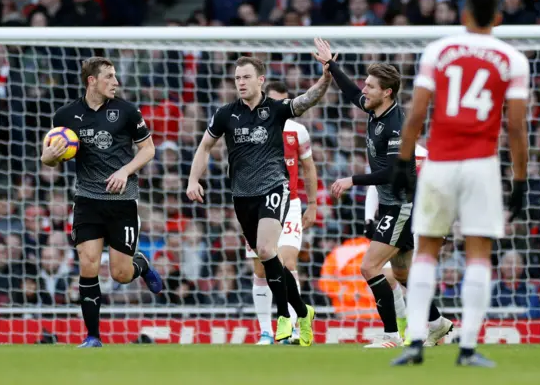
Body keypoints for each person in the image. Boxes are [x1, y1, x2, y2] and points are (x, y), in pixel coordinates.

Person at [391, 0, 529, 367]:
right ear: (498, 18)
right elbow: (516, 127)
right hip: (481, 164)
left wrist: (404, 162)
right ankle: (467, 348)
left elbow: (416, 114)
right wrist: (520, 180)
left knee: (427, 250)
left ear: (464, 15)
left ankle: (416, 342)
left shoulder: (440, 51)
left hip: (439, 163)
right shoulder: (512, 59)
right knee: (479, 254)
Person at [313, 39, 450, 348]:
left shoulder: (398, 125)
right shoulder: (375, 110)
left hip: (401, 205)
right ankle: (438, 323)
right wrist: (331, 64)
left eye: (371, 86)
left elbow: (392, 171)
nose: (365, 90)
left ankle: (390, 335)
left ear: (387, 92)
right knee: (402, 275)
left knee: (369, 267)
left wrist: (352, 180)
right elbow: (349, 92)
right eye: (366, 84)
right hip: (392, 204)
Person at [186, 54, 331, 346]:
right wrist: (192, 179)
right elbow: (204, 147)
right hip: (242, 196)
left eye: (246, 77)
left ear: (260, 80)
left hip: (274, 187)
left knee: (266, 249)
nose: (240, 83)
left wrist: (326, 77)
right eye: (237, 78)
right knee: (267, 258)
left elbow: (308, 99)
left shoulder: (276, 110)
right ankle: (304, 312)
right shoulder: (225, 113)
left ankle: (283, 318)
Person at [41, 57, 163, 348]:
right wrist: (48, 157)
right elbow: (49, 159)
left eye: (116, 76)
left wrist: (125, 171)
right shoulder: (65, 115)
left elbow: (148, 150)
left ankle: (141, 265)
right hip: (87, 200)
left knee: (120, 274)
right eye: (109, 76)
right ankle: (93, 336)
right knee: (88, 264)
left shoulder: (127, 111)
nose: (116, 82)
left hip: (122, 201)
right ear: (91, 80)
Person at [247, 81, 319, 345]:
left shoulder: (297, 131)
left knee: (287, 262)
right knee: (261, 268)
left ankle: (296, 325)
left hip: (290, 203)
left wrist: (312, 204)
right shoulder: (252, 127)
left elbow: (309, 168)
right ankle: (266, 331)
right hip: (256, 203)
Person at [364, 144, 453, 347]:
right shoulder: (387, 154)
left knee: (396, 271)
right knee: (401, 275)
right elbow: (375, 186)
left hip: (422, 223)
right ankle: (436, 323)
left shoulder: (426, 157)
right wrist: (369, 218)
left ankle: (414, 331)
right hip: (396, 219)